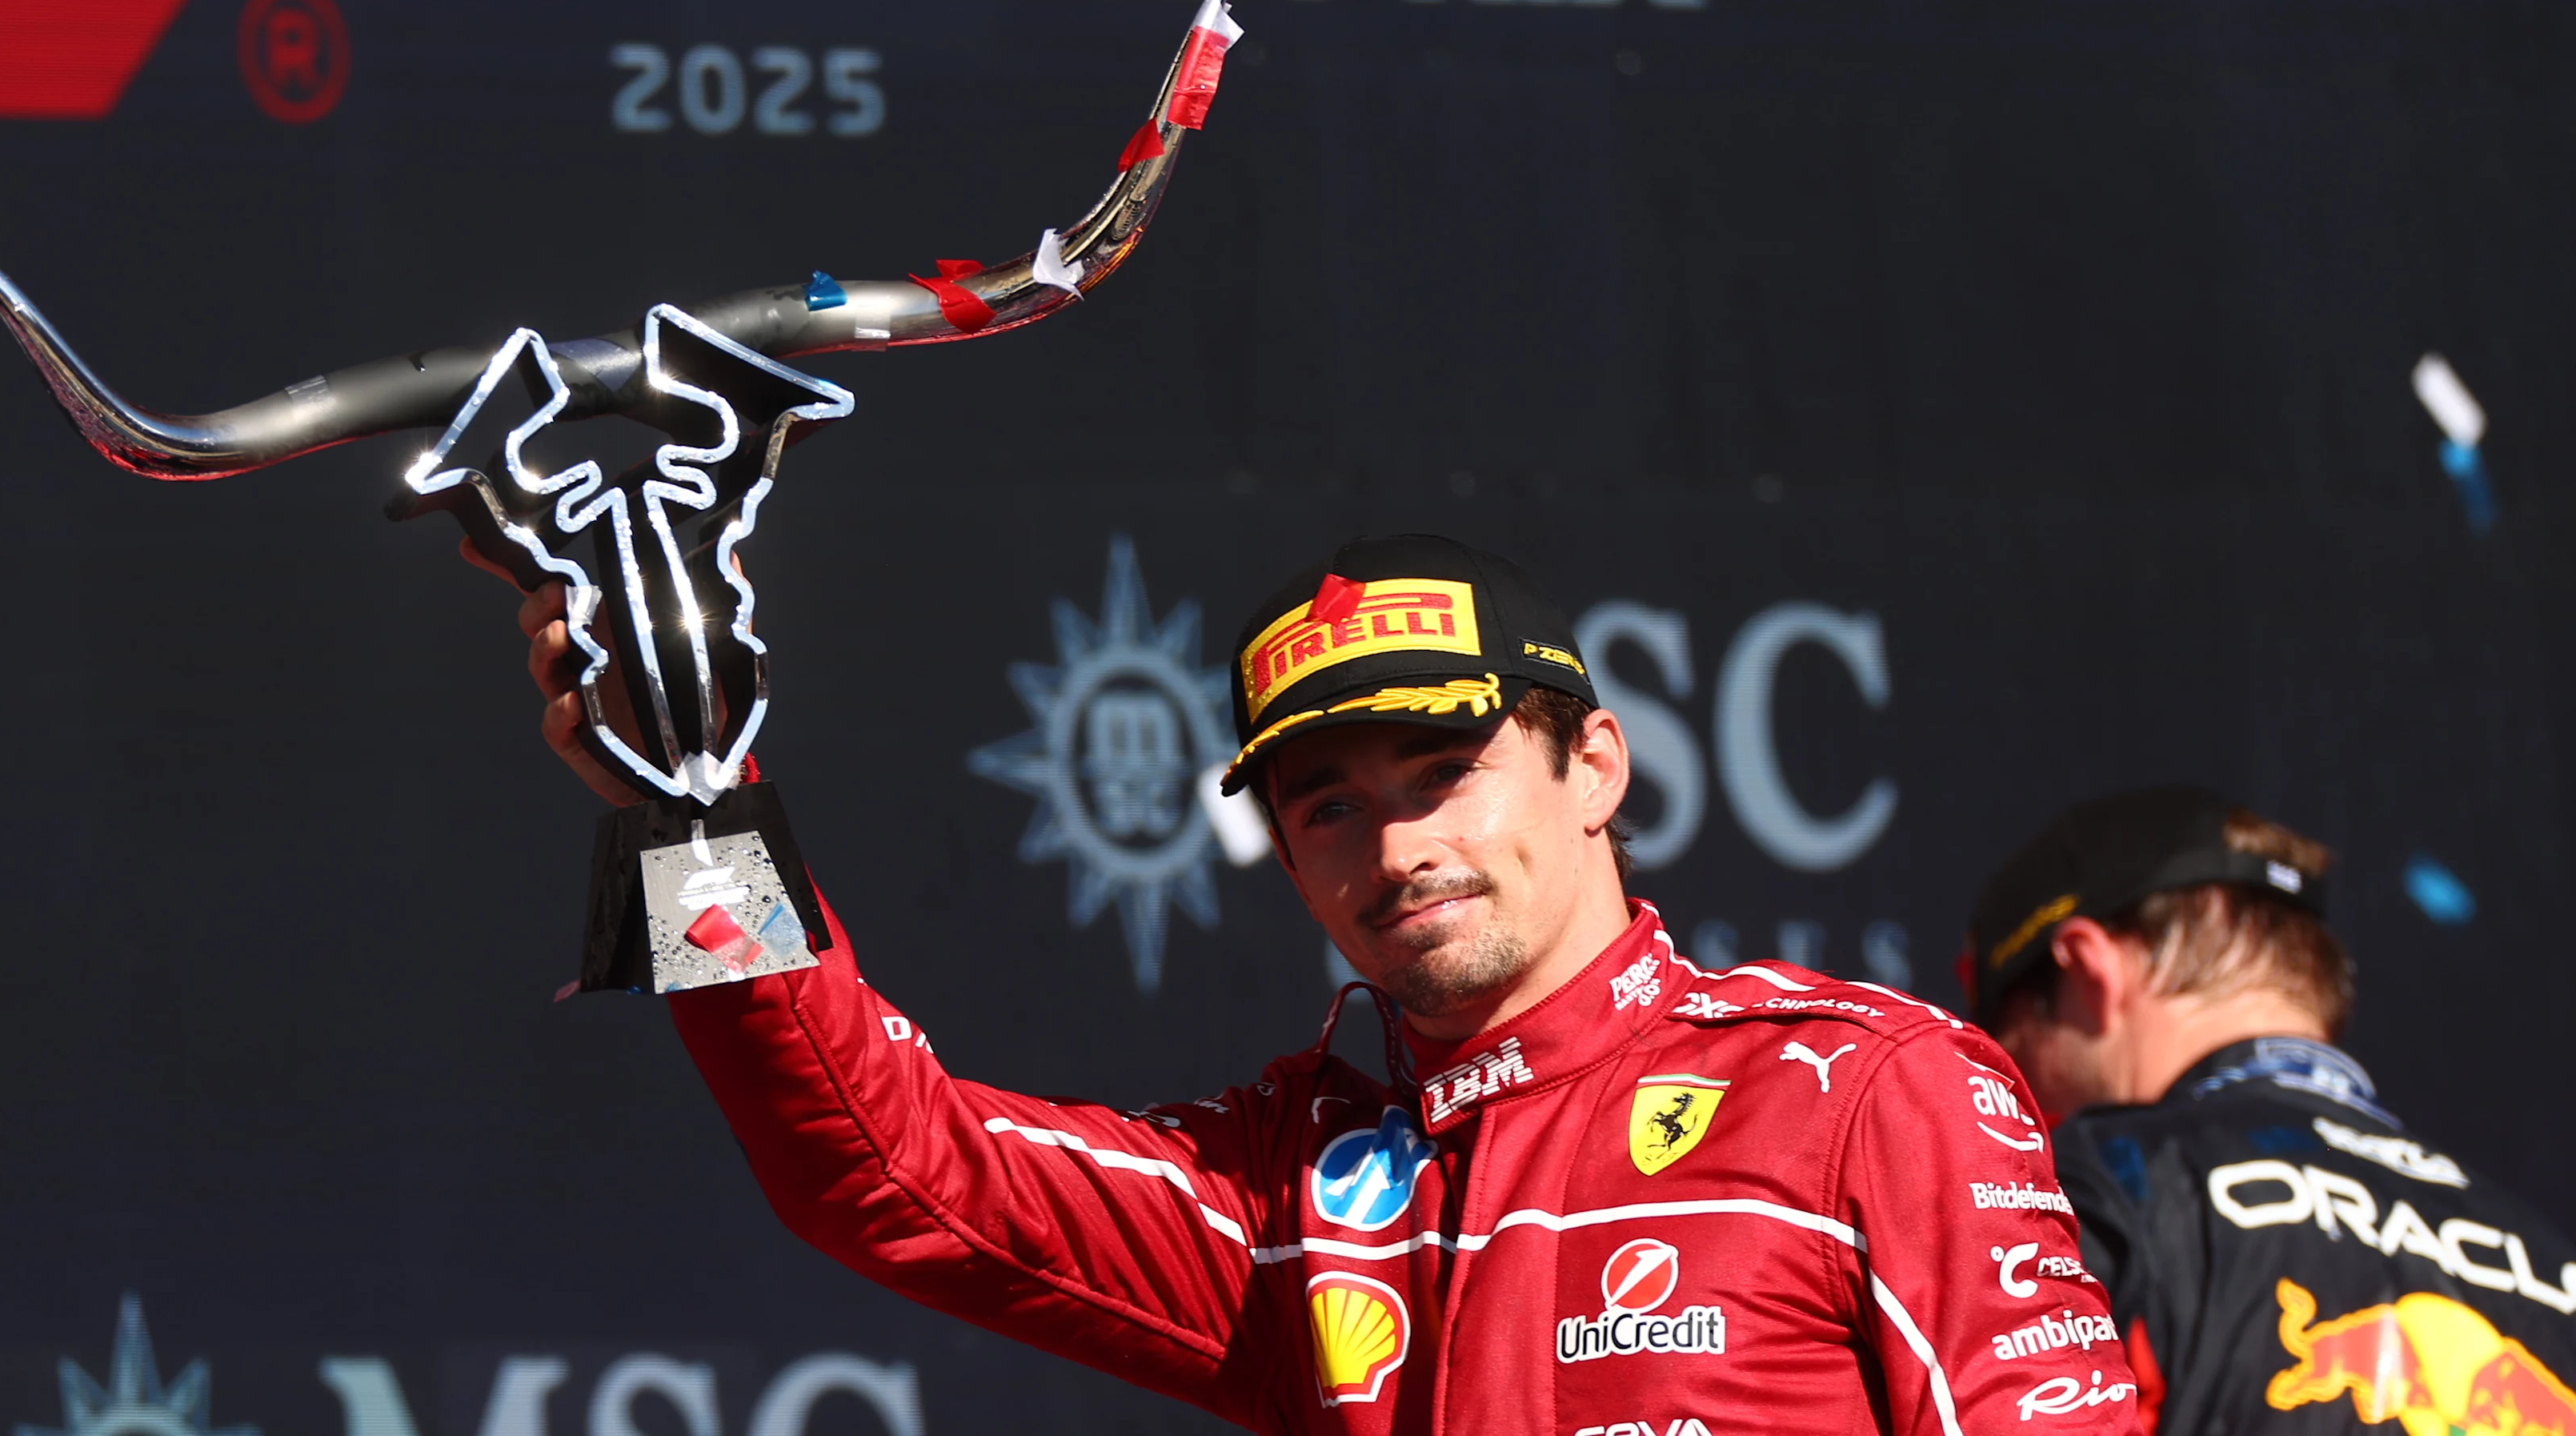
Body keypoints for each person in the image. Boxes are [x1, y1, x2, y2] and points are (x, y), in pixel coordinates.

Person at [490, 532, 2138, 1434]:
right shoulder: (1285, 1183)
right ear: (1287, 864)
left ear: (1595, 769)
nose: (1394, 842)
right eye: (1328, 806)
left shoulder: (1860, 1085)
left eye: (1442, 769)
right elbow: (889, 1169)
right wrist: (691, 807)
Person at [1965, 786, 2576, 1436]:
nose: (2016, 1084)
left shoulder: (2094, 1190)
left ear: (2088, 972)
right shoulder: (2557, 1271)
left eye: (2010, 1042)